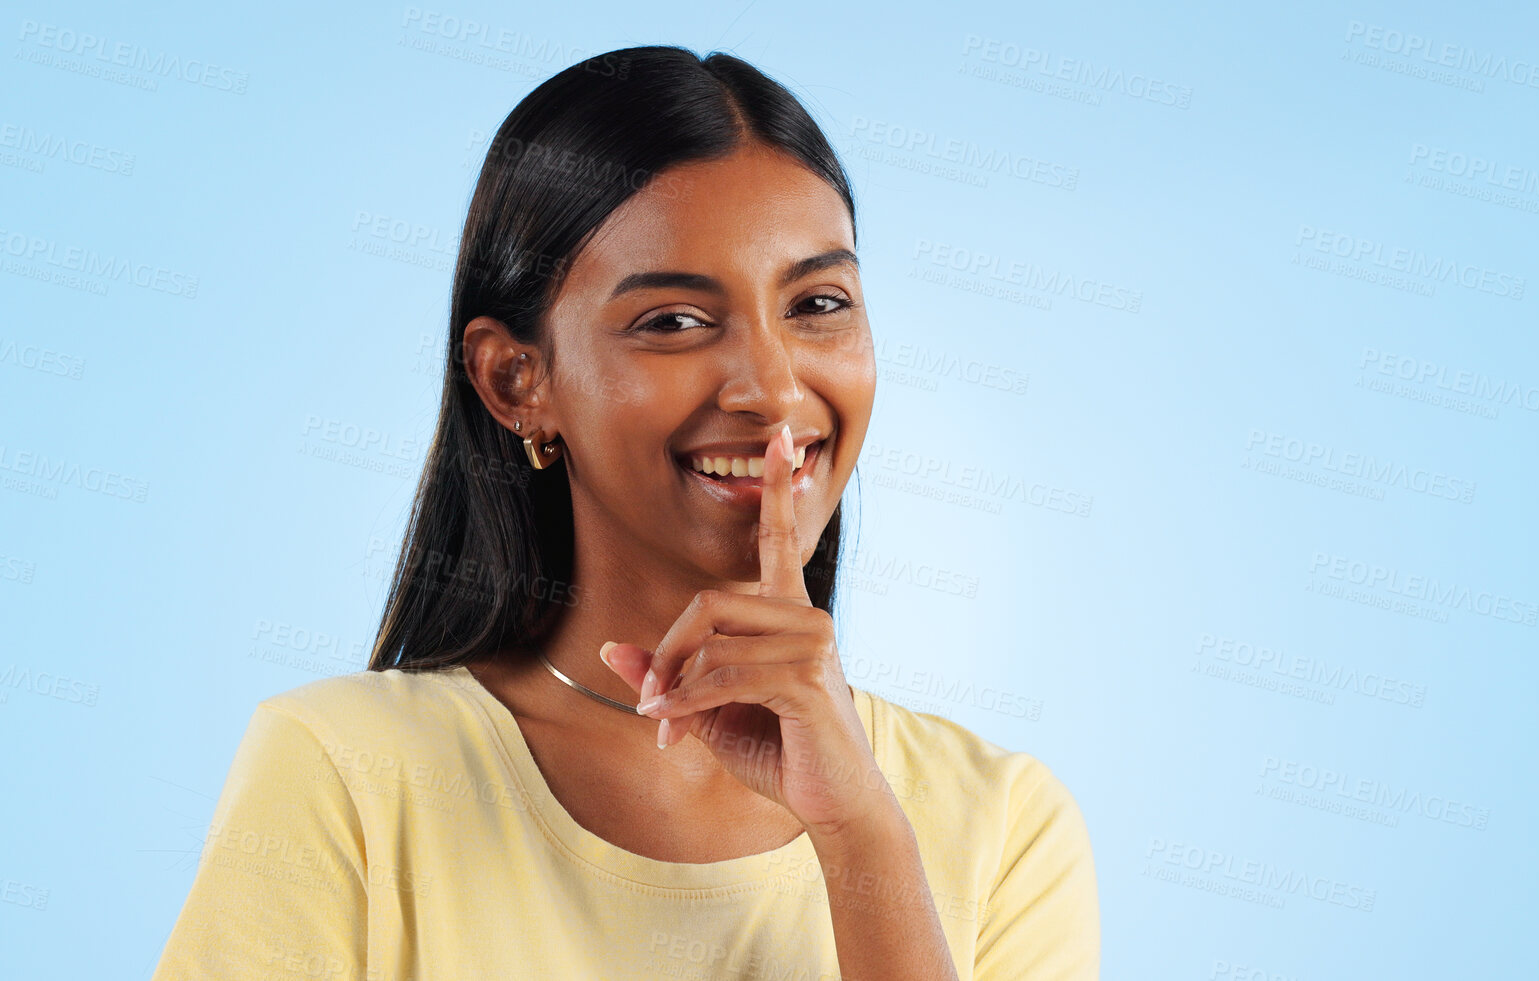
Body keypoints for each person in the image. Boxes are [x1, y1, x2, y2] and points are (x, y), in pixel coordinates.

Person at [149, 44, 1100, 981]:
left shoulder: (1005, 825)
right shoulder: (347, 774)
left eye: (818, 302)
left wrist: (861, 837)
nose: (772, 389)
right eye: (674, 321)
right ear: (516, 380)